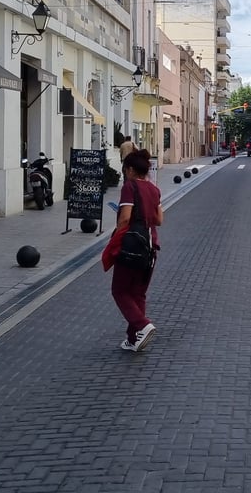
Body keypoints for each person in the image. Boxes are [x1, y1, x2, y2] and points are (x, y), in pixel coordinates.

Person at [110, 149, 163, 353]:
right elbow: (159, 220)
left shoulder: (129, 187)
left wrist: (116, 240)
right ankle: (133, 339)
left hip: (132, 246)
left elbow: (125, 218)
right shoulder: (154, 189)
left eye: (125, 170)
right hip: (150, 248)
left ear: (131, 170)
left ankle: (143, 325)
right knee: (138, 293)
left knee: (120, 290)